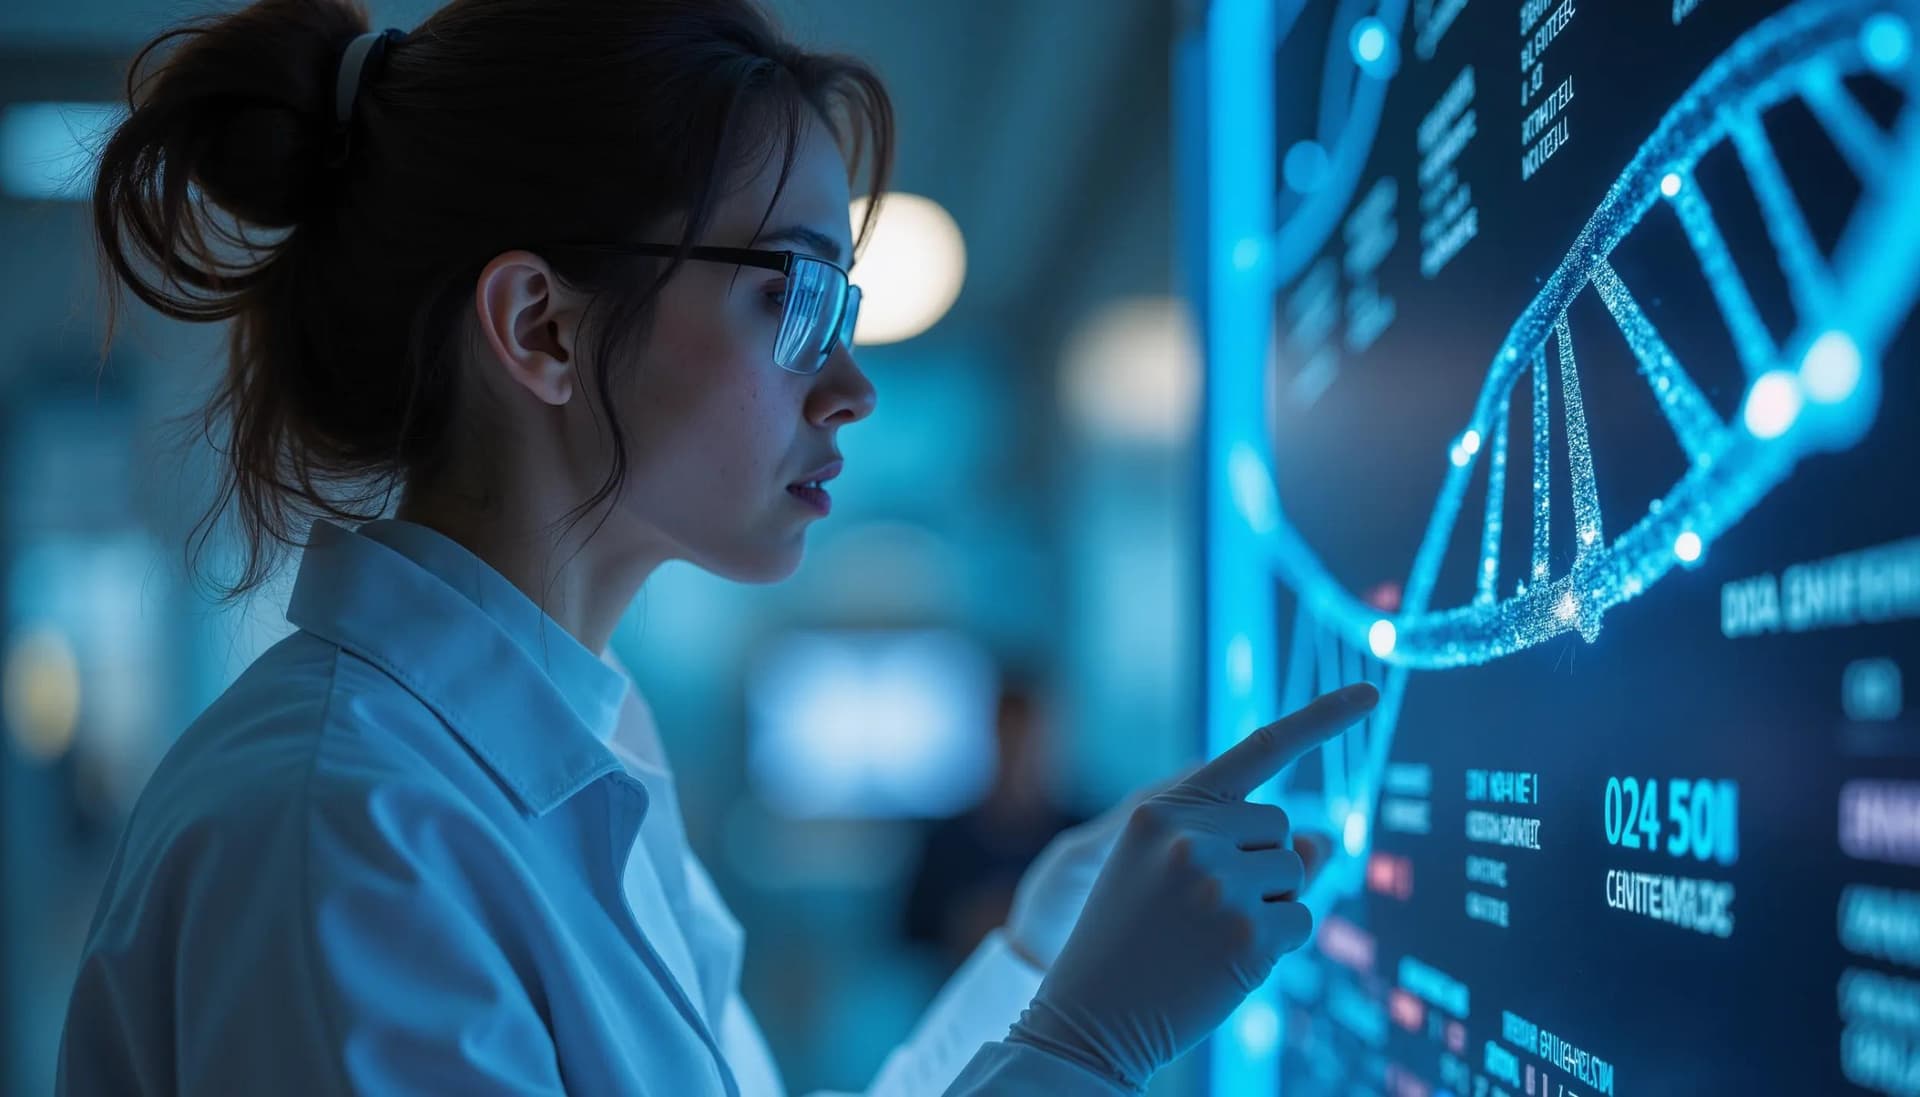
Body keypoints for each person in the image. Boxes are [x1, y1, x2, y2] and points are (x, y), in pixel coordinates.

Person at [57, 0, 1379, 1093]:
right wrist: (1080, 1052)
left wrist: (1035, 964)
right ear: (543, 331)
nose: (852, 382)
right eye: (792, 293)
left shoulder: (574, 759)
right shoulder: (342, 840)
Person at [903, 671, 1089, 971]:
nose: (1019, 754)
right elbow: (911, 938)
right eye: (1010, 737)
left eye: (1029, 739)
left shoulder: (1084, 837)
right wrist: (963, 927)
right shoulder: (945, 843)